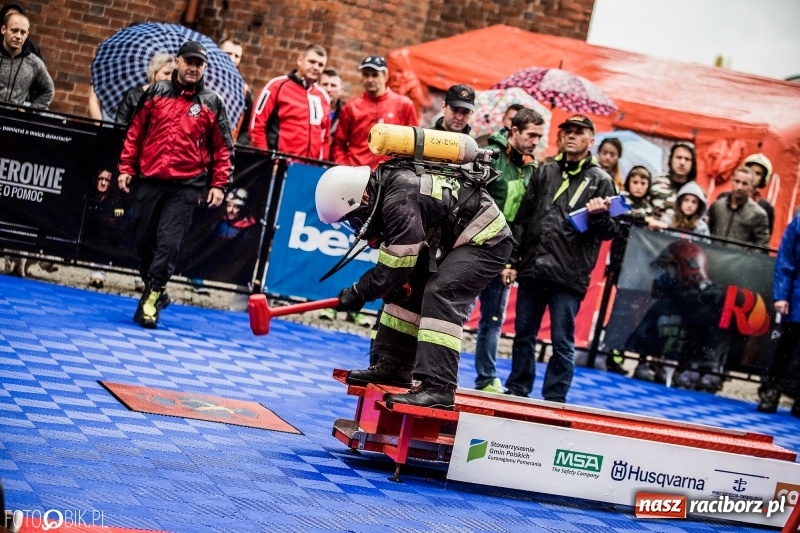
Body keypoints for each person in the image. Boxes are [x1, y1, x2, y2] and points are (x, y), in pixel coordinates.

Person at [316, 155, 513, 409]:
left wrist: (358, 292)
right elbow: (399, 271)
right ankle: (394, 366)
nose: (357, 229)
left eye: (354, 219)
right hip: (455, 237)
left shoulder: (399, 197)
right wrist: (382, 286)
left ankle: (439, 387)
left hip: (486, 240)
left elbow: (396, 265)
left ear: (363, 197)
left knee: (441, 292)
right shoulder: (388, 188)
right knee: (405, 289)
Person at [118, 41, 233, 329]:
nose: (193, 68)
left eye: (199, 64)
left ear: (204, 68)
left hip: (187, 186)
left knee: (168, 244)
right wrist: (126, 167)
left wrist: (219, 184)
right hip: (150, 179)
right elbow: (135, 133)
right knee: (144, 243)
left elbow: (223, 148)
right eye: (189, 62)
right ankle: (158, 290)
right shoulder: (155, 92)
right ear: (178, 62)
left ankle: (151, 298)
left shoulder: (211, 102)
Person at [504, 115, 617, 402]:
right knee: (523, 334)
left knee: (562, 341)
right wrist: (512, 261)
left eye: (579, 132)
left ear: (591, 140)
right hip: (533, 267)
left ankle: (555, 398)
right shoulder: (545, 171)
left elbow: (610, 232)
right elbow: (523, 219)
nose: (571, 136)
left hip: (568, 274)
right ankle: (517, 390)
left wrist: (599, 216)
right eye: (567, 131)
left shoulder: (602, 180)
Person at [472, 108, 545, 394]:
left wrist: (511, 260)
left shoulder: (531, 168)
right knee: (455, 313)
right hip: (473, 249)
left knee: (492, 320)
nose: (535, 141)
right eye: (531, 135)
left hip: (503, 255)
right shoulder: (490, 155)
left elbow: (522, 220)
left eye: (539, 137)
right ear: (514, 131)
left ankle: (486, 379)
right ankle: (432, 372)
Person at [628, 240, 728, 392]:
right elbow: (640, 337)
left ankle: (699, 372)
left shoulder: (710, 299)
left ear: (688, 268)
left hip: (697, 364)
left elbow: (713, 342)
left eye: (670, 270)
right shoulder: (666, 303)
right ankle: (655, 366)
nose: (666, 276)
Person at [331, 56, 417, 168]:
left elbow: (414, 142)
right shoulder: (351, 107)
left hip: (389, 173)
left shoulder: (404, 105)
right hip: (356, 171)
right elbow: (338, 144)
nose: (370, 79)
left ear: (385, 76)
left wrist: (403, 170)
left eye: (375, 75)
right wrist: (344, 167)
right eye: (366, 75)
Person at [249, 44, 330, 159]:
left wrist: (319, 164)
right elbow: (256, 125)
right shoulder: (276, 86)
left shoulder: (323, 97)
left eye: (321, 65)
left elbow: (324, 137)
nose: (316, 67)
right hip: (278, 164)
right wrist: (266, 160)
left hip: (309, 167)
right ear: (300, 60)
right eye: (312, 62)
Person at [758, 211, 800, 417]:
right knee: (785, 346)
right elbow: (785, 259)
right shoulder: (798, 224)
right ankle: (771, 391)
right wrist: (781, 295)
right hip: (797, 297)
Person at [0, 11, 52, 108]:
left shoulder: (34, 62)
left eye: (22, 32)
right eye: (14, 30)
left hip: (14, 116)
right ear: (3, 30)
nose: (18, 36)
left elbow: (49, 91)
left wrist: (29, 110)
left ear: (27, 34)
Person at [707, 166, 770, 246]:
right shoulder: (717, 206)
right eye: (737, 181)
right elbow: (707, 233)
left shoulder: (758, 214)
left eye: (745, 183)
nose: (739, 187)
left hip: (739, 254)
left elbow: (762, 246)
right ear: (732, 180)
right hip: (713, 253)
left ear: (751, 185)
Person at [115, 53, 176, 126]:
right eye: (166, 73)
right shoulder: (133, 95)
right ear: (154, 72)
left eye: (174, 74)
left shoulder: (176, 97)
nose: (170, 78)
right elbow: (120, 124)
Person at [648, 142, 697, 220]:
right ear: (671, 159)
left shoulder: (696, 191)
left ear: (693, 163)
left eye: (687, 159)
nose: (682, 163)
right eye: (679, 157)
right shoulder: (654, 182)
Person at [219, 36, 254, 146]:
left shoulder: (244, 91)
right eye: (228, 53)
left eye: (237, 56)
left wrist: (237, 144)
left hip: (225, 149)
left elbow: (247, 130)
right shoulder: (203, 81)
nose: (232, 59)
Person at [319, 69, 344, 138]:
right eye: (325, 84)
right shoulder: (308, 107)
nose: (328, 89)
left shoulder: (346, 113)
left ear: (341, 90)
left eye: (333, 85)